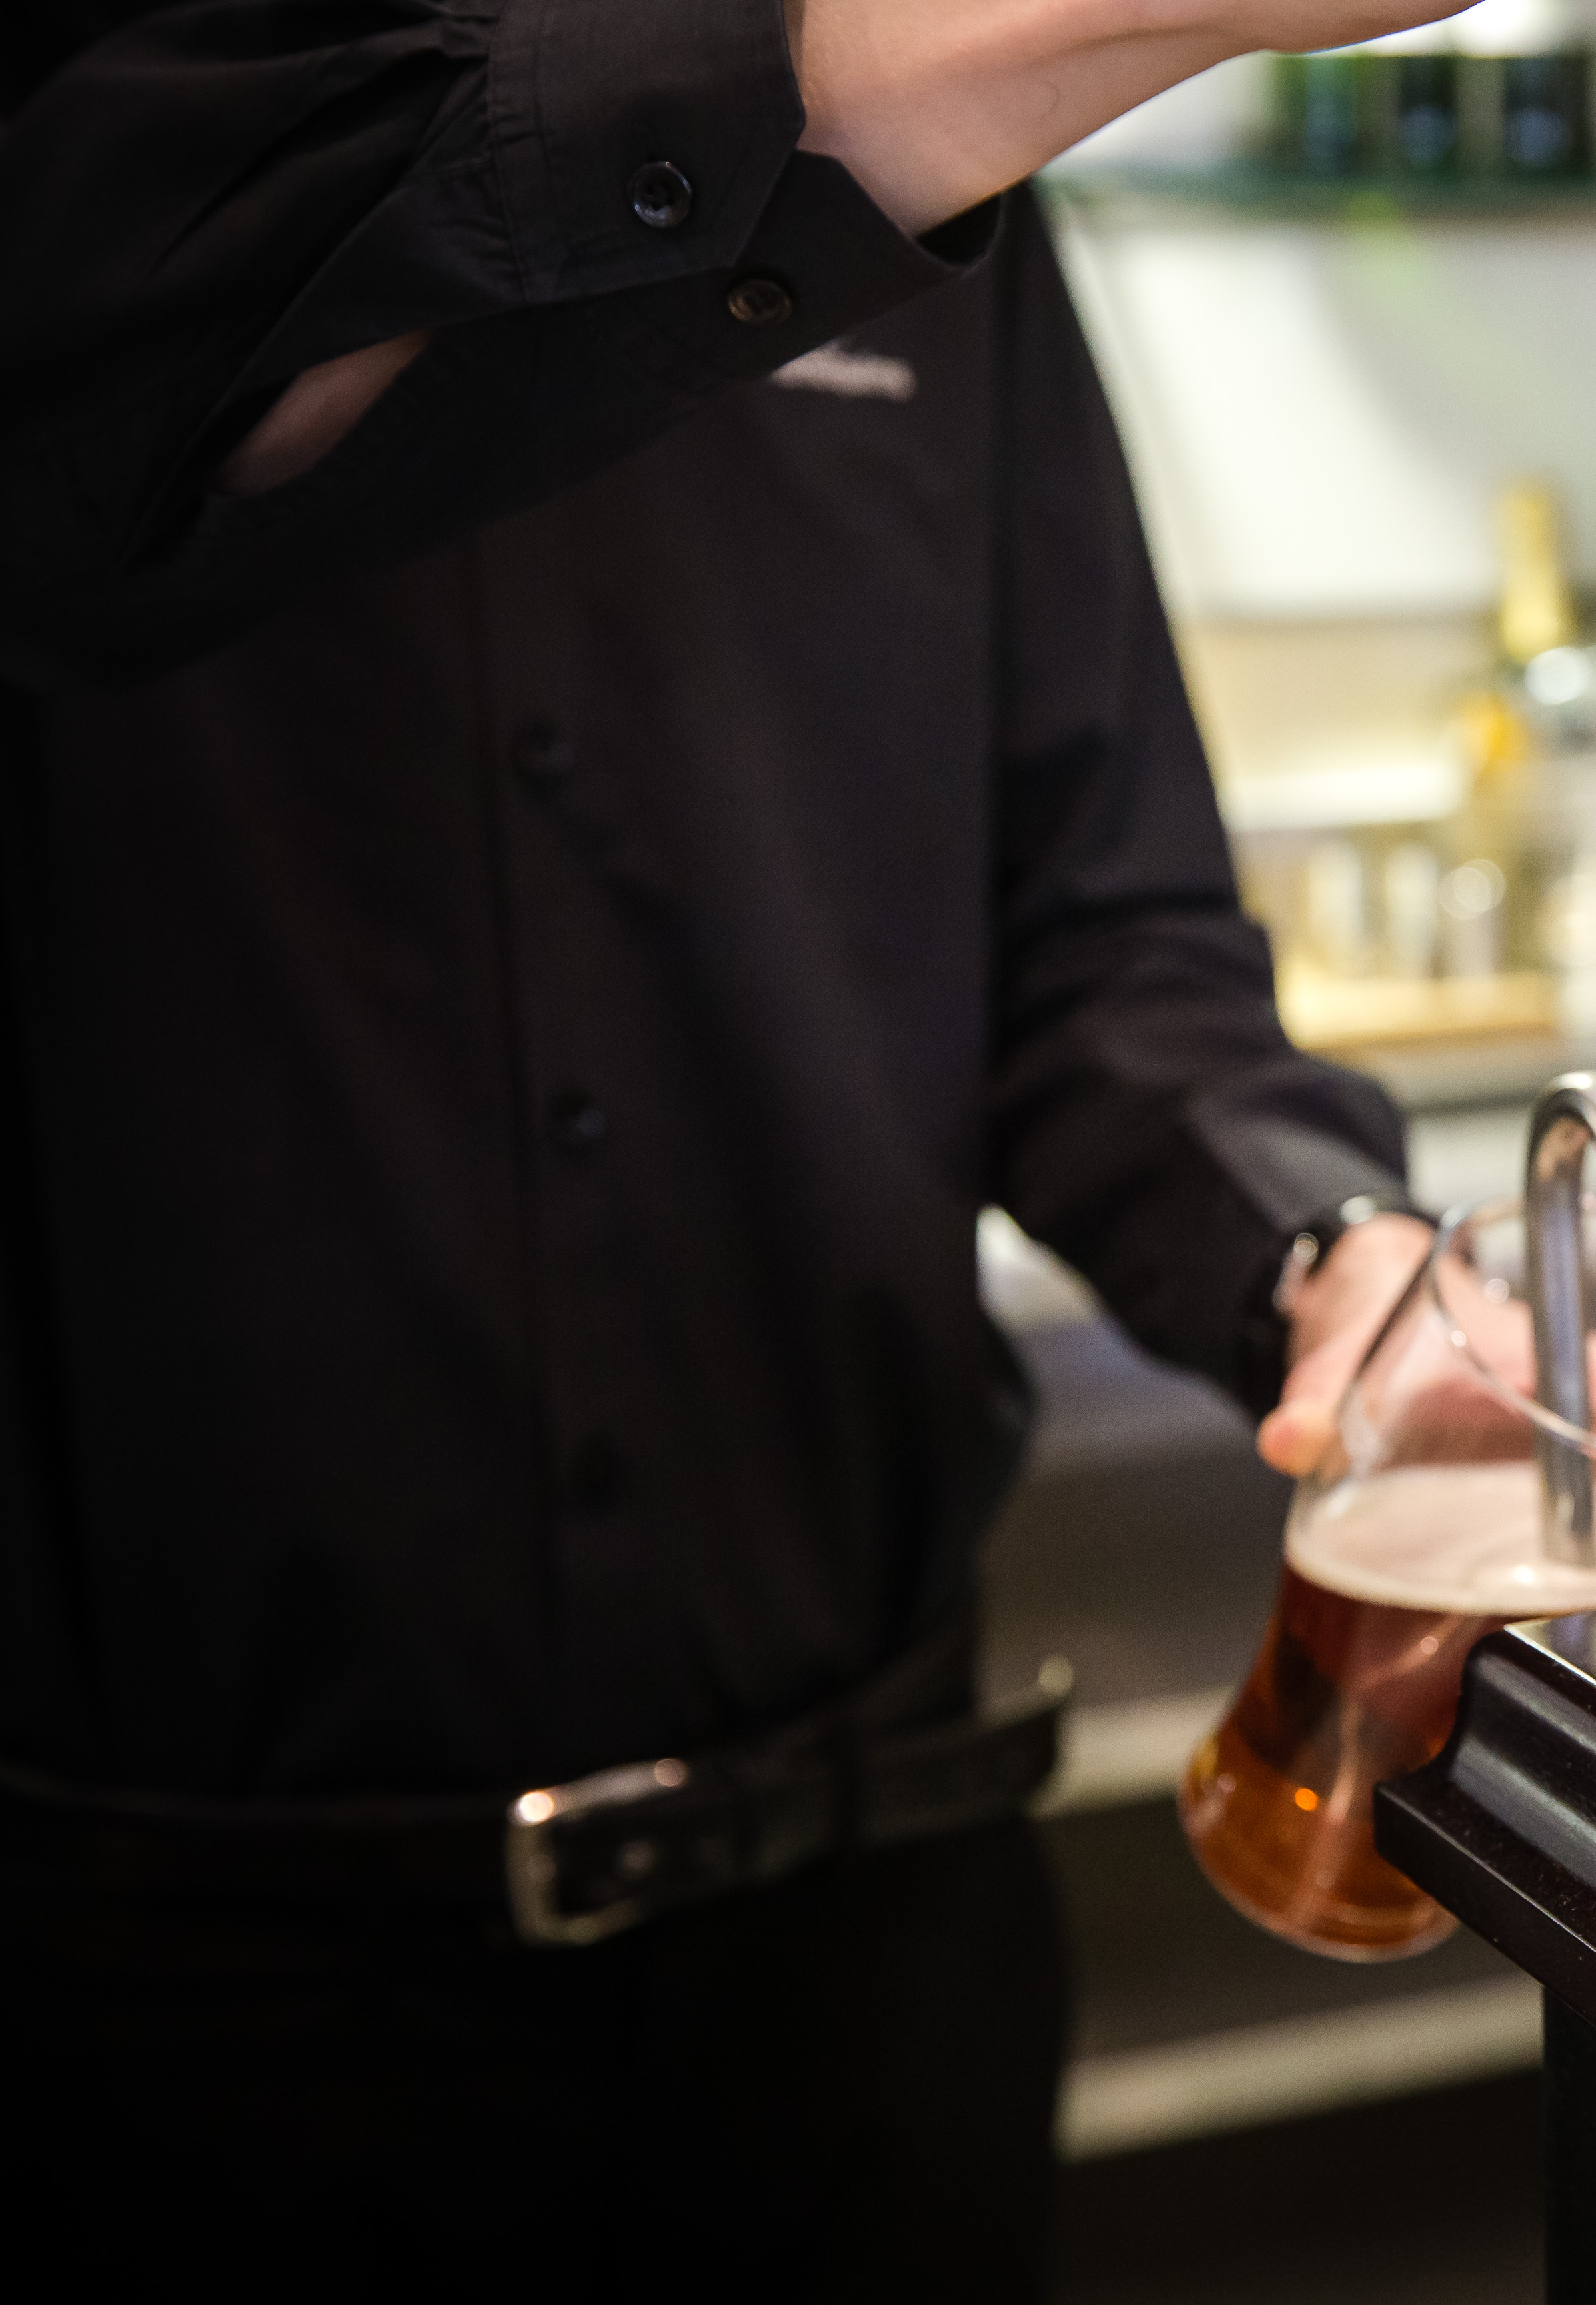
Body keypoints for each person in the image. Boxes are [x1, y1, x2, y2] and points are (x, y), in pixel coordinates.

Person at [0, 0, 1467, 2292]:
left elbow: (1103, 945)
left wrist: (1334, 1250)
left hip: (858, 1957)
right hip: (177, 2000)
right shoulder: (117, 123)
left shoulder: (951, 213)